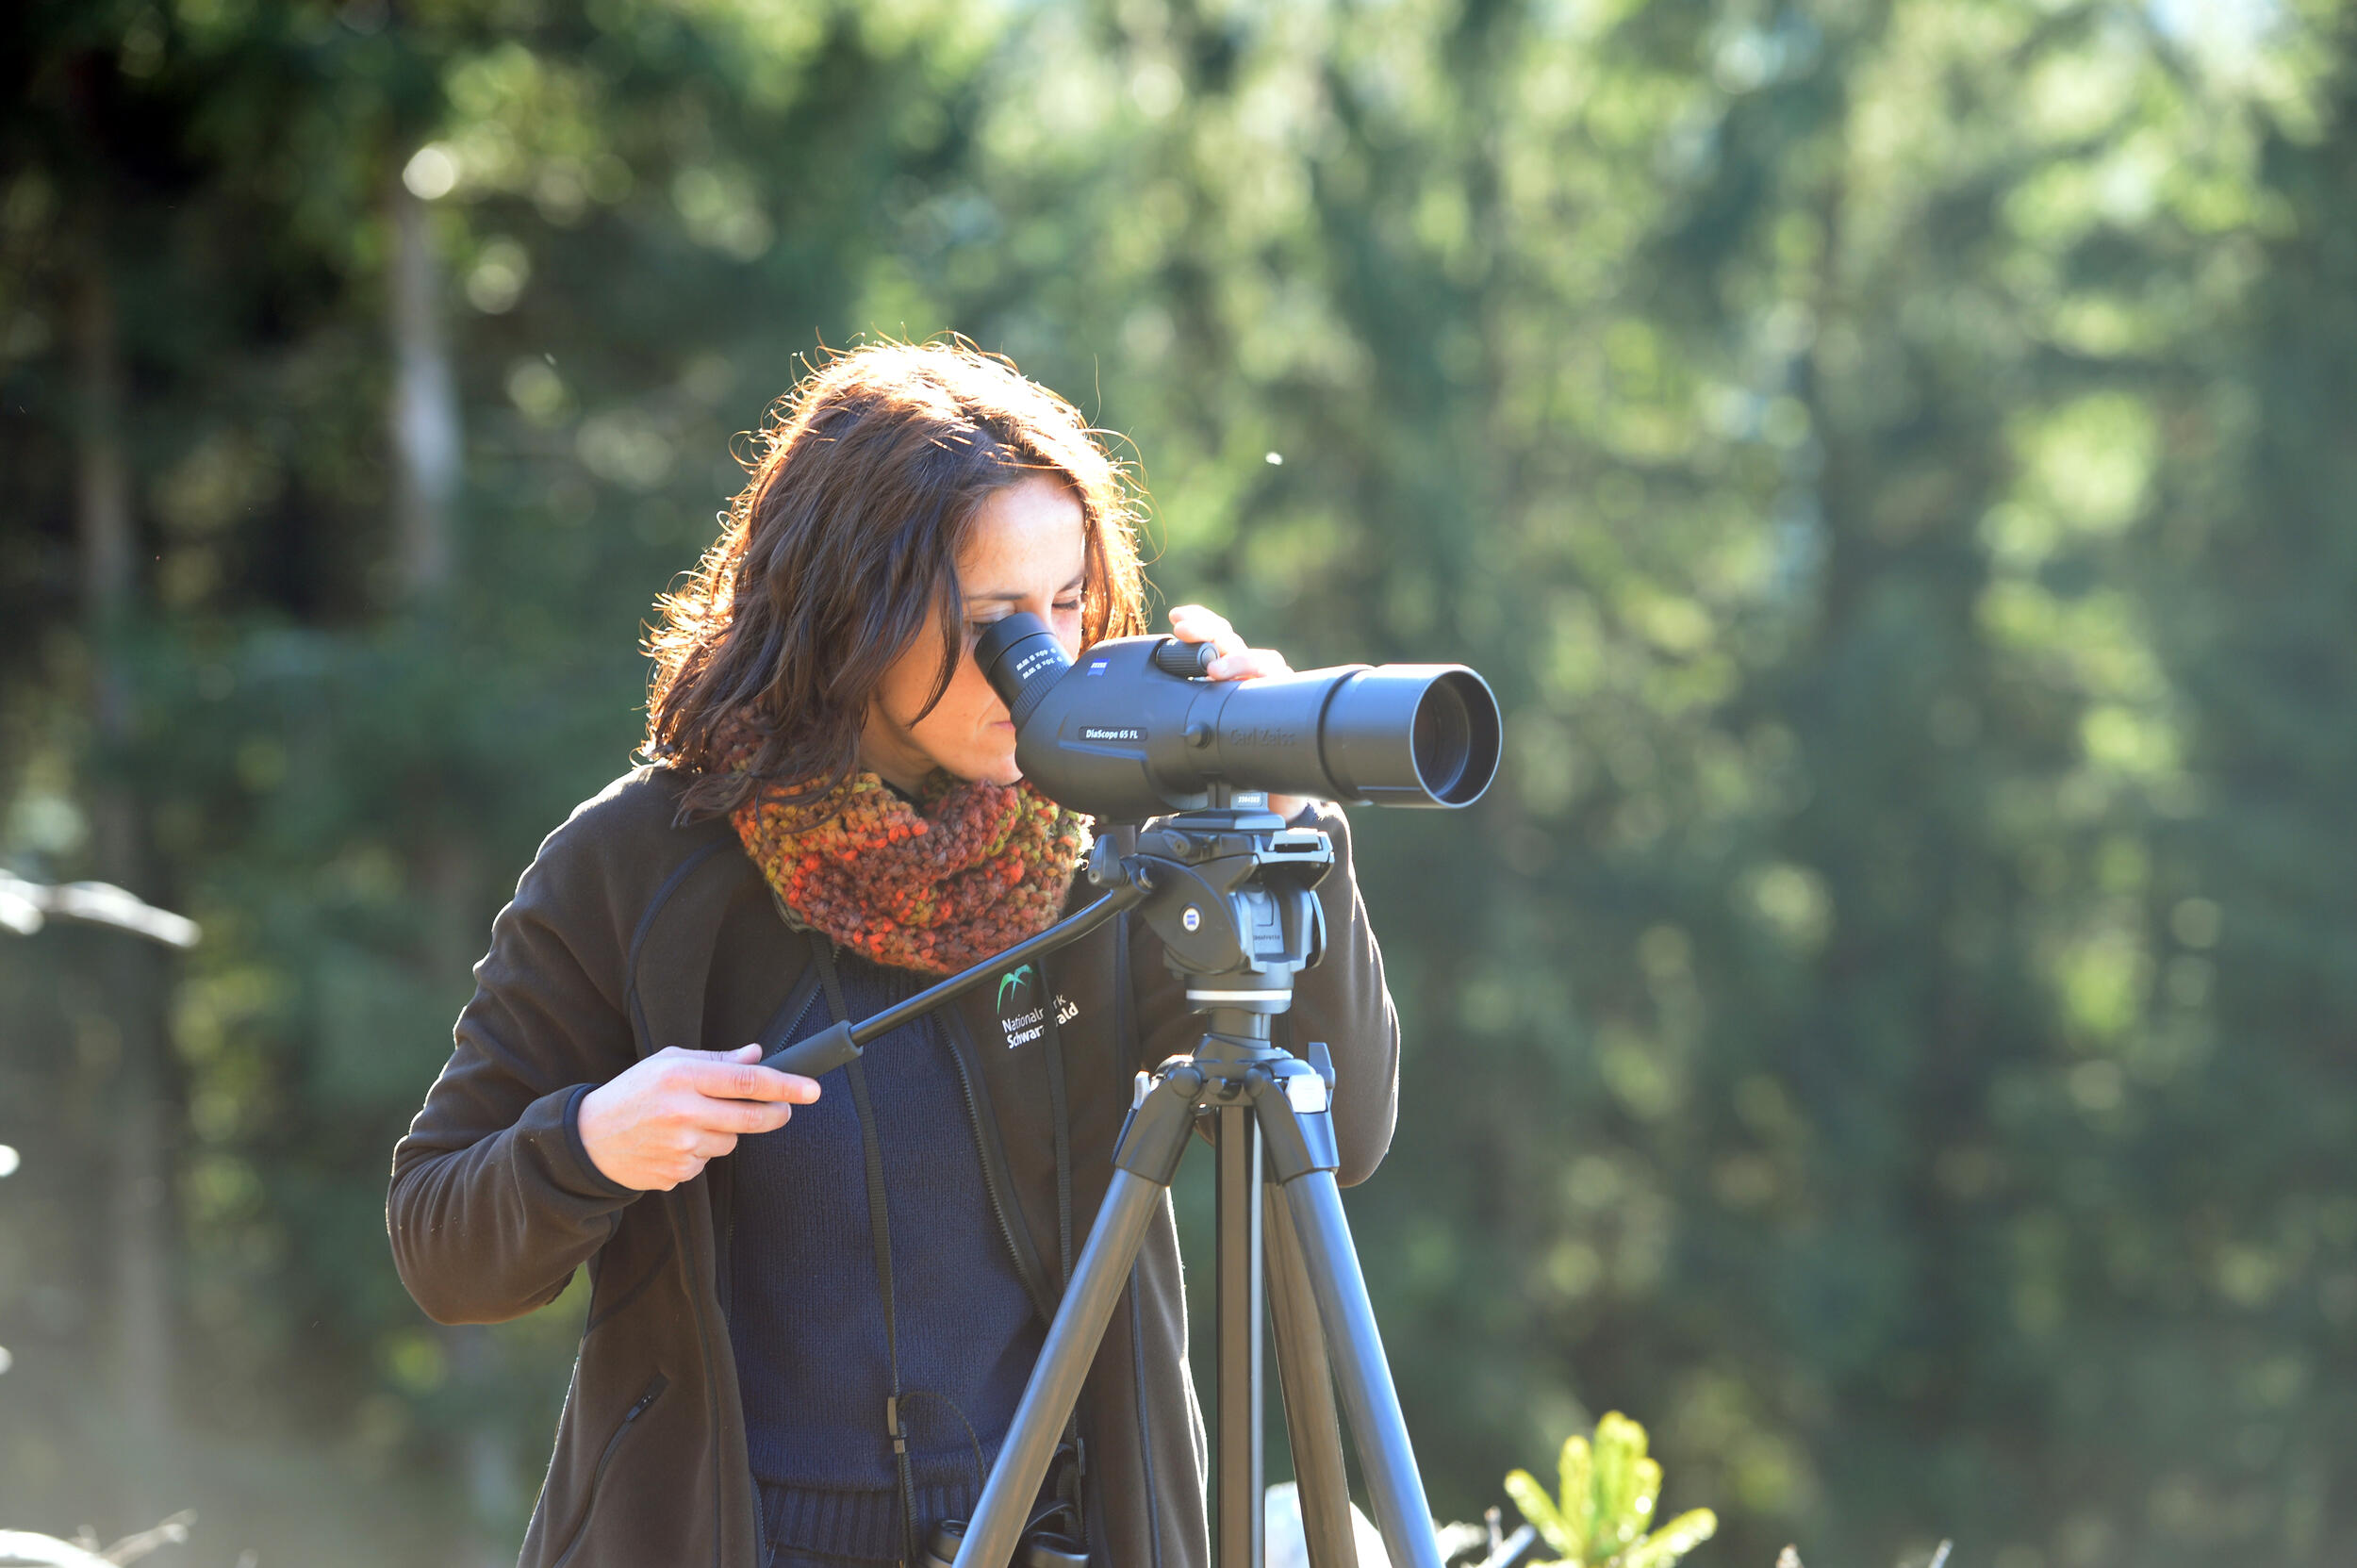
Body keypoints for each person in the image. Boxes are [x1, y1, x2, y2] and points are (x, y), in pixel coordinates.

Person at [387, 339, 1400, 1568]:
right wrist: (591, 1142)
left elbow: (1341, 1126)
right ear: (849, 604)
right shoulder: (642, 866)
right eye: (991, 619)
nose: (1046, 658)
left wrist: (1295, 828)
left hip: (1067, 1535)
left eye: (1069, 602)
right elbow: (442, 1242)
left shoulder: (1116, 852)